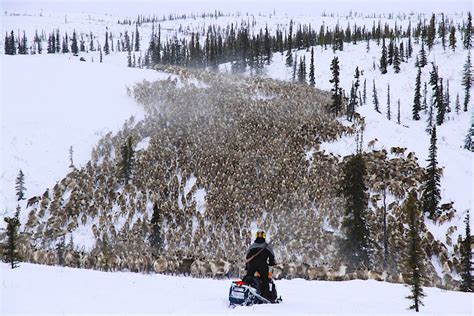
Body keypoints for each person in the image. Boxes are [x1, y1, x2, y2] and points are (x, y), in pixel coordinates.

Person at [245, 230, 275, 302]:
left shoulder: (252, 246)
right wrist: (271, 263)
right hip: (262, 265)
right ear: (264, 236)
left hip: (251, 265)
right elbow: (272, 257)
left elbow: (247, 256)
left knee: (248, 278)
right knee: (265, 280)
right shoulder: (267, 246)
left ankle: (246, 292)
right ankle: (266, 296)